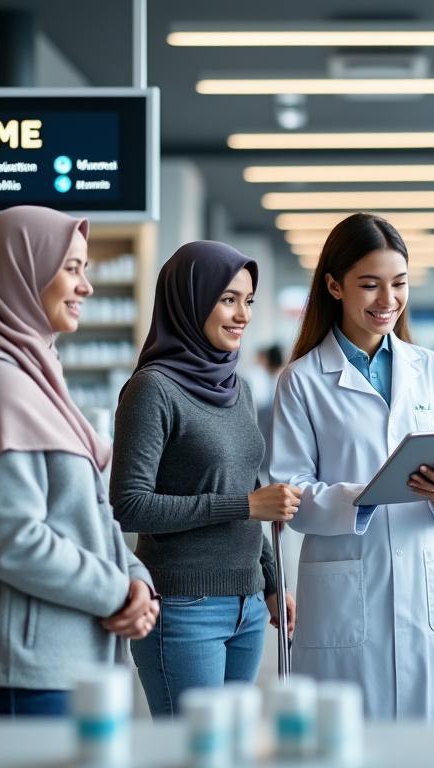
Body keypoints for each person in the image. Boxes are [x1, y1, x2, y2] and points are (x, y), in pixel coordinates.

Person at [0, 206, 157, 718]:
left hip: (64, 657)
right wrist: (118, 590)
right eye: (72, 268)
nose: (87, 287)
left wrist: (137, 580)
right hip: (23, 664)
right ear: (22, 273)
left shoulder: (37, 377)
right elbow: (10, 539)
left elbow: (87, 516)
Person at [269, 212, 434, 723]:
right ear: (335, 285)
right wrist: (363, 497)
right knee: (347, 740)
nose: (387, 300)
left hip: (420, 579)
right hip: (345, 587)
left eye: (399, 284)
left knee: (429, 744)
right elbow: (290, 490)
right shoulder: (302, 380)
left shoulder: (429, 368)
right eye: (370, 285)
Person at [110, 241, 299, 716]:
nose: (242, 315)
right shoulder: (152, 389)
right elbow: (129, 504)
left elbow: (246, 486)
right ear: (190, 300)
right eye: (228, 299)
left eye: (249, 300)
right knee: (193, 755)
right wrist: (245, 506)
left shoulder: (239, 388)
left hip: (249, 604)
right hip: (183, 606)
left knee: (232, 750)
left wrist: (272, 583)